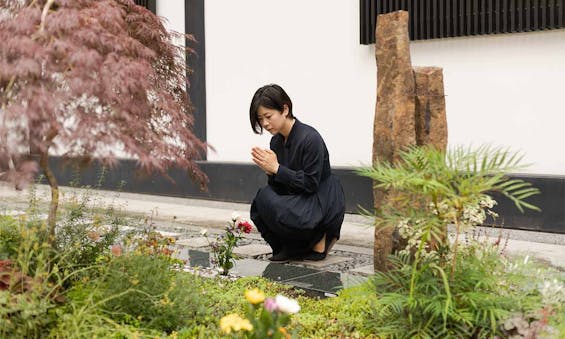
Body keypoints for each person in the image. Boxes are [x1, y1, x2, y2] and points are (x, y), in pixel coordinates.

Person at [249, 84, 345, 262]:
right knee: (262, 200)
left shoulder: (310, 138)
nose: (264, 124)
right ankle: (288, 248)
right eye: (260, 119)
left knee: (274, 202)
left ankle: (321, 236)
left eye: (268, 116)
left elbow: (310, 184)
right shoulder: (276, 142)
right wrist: (271, 172)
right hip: (296, 198)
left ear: (285, 109)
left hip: (318, 200)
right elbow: (280, 186)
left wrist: (277, 169)